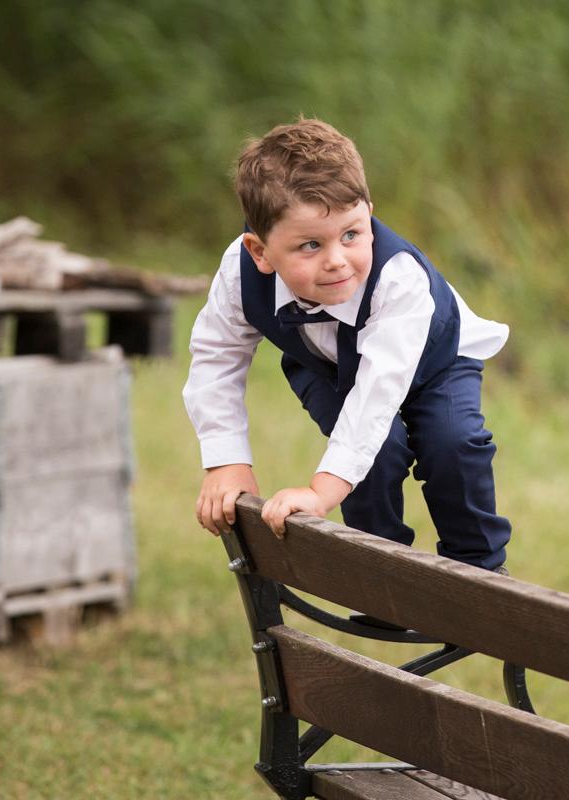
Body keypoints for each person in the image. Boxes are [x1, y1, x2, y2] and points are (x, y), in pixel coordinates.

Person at [182, 118, 511, 572]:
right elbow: (217, 356)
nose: (337, 260)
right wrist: (226, 460)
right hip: (326, 364)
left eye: (352, 234)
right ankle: (380, 571)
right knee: (377, 453)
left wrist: (320, 493)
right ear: (260, 252)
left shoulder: (398, 280)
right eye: (311, 245)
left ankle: (479, 571)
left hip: (437, 360)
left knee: (453, 443)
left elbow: (377, 395)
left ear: (369, 213)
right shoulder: (240, 272)